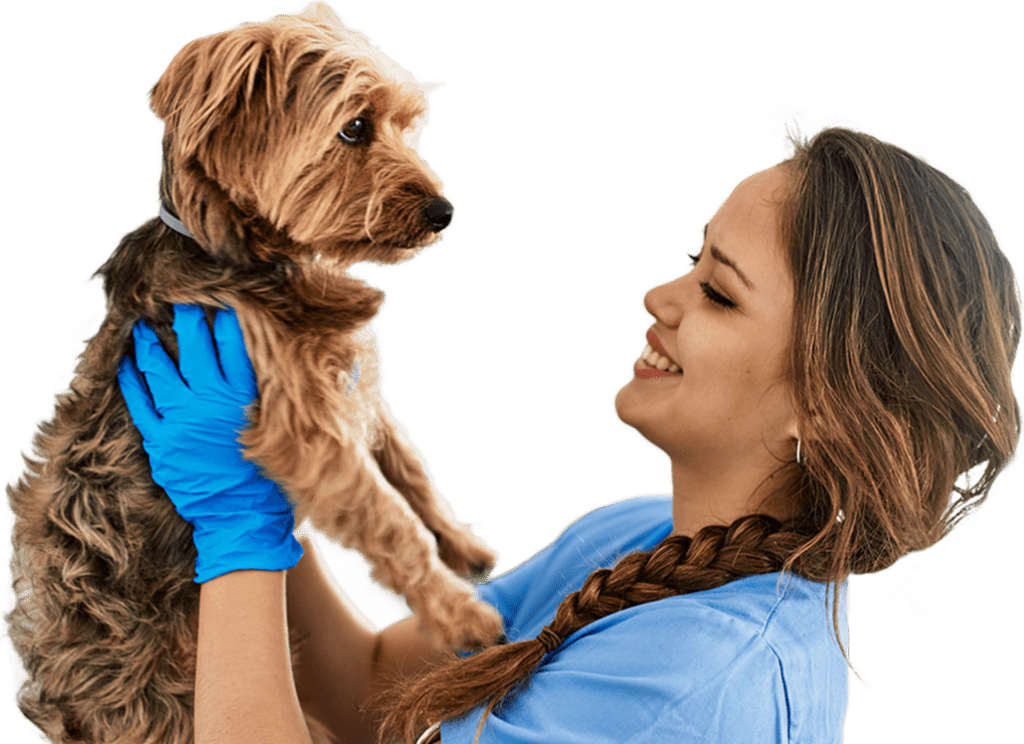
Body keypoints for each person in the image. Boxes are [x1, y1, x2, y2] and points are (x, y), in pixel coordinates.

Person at [116, 117, 1024, 744]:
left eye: (718, 292)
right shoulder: (641, 539)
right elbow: (373, 698)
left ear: (824, 403)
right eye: (689, 259)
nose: (658, 299)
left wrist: (234, 533)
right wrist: (266, 472)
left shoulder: (684, 691)